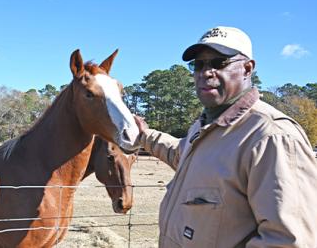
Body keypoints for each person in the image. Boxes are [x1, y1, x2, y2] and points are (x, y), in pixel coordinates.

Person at [135, 26, 317, 247]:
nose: (205, 72)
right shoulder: (204, 127)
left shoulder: (272, 137)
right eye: (198, 65)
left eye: (219, 63)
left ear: (247, 69)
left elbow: (288, 241)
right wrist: (144, 135)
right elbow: (179, 153)